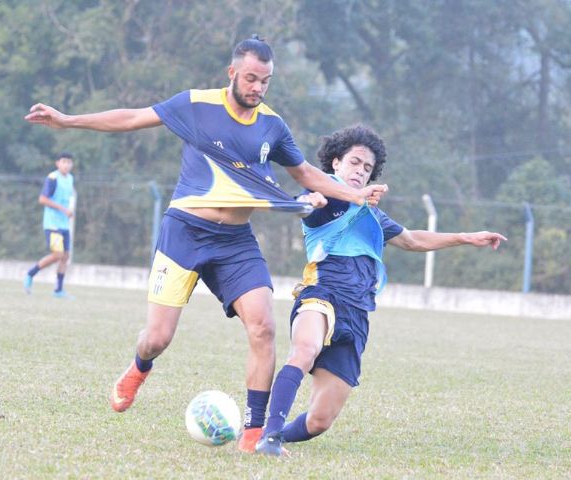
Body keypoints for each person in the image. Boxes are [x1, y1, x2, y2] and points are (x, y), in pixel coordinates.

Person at [24, 36, 388, 453]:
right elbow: (131, 118)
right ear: (232, 73)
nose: (257, 88)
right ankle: (139, 368)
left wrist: (356, 195)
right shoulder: (196, 105)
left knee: (264, 326)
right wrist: (68, 120)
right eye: (251, 78)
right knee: (157, 338)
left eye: (265, 81)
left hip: (235, 242)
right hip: (183, 234)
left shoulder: (272, 125)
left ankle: (254, 433)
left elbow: (305, 173)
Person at [254, 125, 507, 456]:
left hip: (357, 313)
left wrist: (465, 237)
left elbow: (412, 239)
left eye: (367, 168)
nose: (360, 171)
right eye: (355, 162)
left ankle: (277, 437)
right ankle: (268, 436)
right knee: (305, 350)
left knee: (319, 421)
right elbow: (304, 203)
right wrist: (309, 199)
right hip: (323, 293)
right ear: (335, 164)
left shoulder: (370, 214)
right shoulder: (326, 197)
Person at [23, 152, 76, 299]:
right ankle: (30, 274)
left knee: (65, 256)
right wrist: (63, 209)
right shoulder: (53, 178)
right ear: (57, 163)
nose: (67, 165)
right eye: (64, 162)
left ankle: (58, 290)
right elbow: (43, 199)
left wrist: (69, 211)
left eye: (69, 162)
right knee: (57, 254)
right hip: (52, 224)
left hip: (64, 224)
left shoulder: (70, 179)